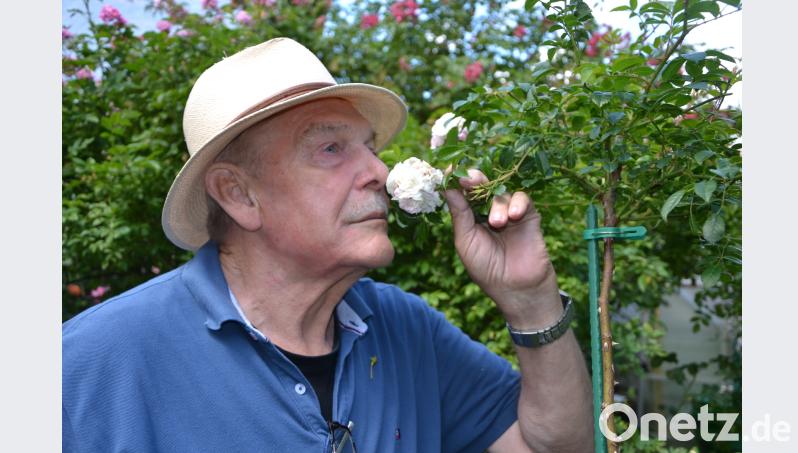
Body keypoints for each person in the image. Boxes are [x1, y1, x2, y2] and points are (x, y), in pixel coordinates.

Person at [63, 37, 593, 452]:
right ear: (238, 194)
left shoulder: (407, 331)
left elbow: (557, 448)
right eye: (331, 148)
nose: (378, 173)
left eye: (368, 147)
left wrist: (531, 302)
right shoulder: (85, 368)